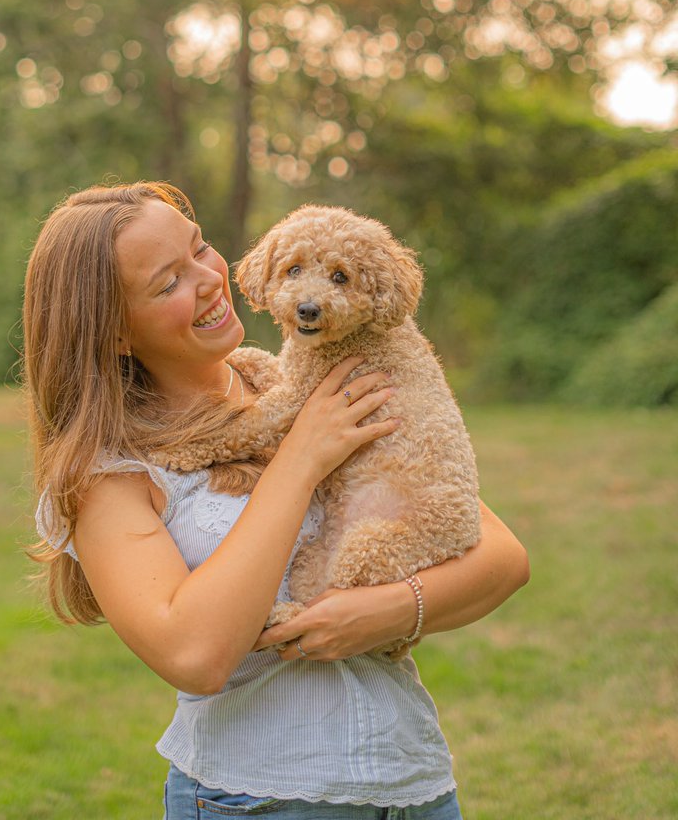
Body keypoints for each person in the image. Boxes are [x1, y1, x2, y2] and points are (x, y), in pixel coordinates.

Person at [27, 181, 529, 820]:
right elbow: (195, 656)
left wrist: (389, 610)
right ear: (114, 333)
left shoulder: (303, 374)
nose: (210, 279)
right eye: (167, 283)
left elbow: (504, 557)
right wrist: (299, 458)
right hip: (260, 799)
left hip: (413, 786)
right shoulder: (109, 475)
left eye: (199, 248)